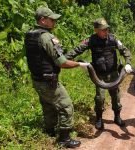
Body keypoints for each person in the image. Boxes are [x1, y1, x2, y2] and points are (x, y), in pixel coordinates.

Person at [24, 7, 89, 148]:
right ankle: (64, 139)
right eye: (51, 19)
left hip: (37, 79)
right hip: (49, 81)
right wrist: (79, 64)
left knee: (48, 106)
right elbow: (63, 63)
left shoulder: (30, 34)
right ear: (42, 20)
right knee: (66, 105)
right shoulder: (47, 37)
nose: (54, 22)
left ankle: (50, 132)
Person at [65, 18, 132, 130]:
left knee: (116, 96)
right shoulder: (91, 40)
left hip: (114, 74)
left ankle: (117, 117)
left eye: (107, 29)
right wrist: (64, 60)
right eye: (103, 30)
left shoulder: (113, 39)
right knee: (99, 98)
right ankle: (99, 119)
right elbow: (77, 50)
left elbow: (125, 51)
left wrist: (128, 63)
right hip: (99, 75)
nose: (106, 31)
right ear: (96, 30)